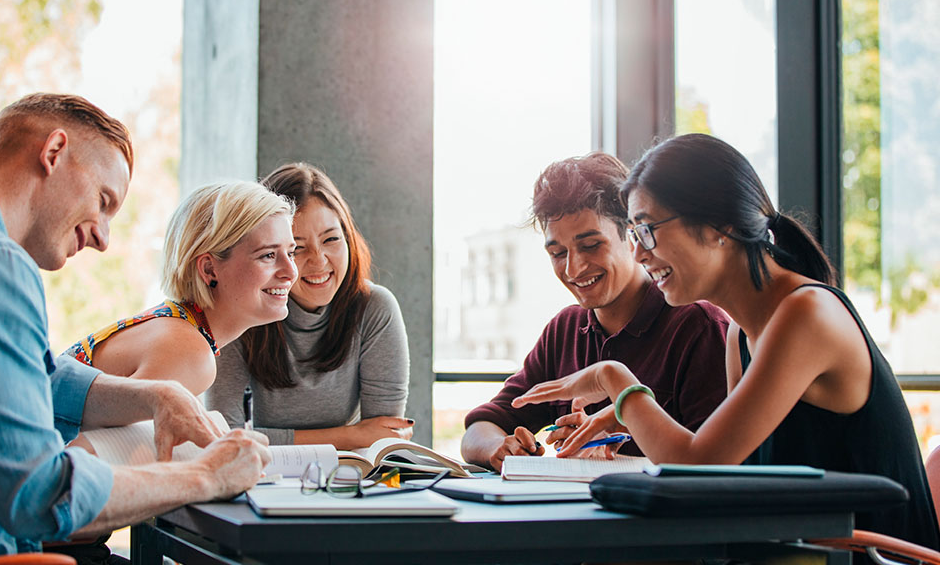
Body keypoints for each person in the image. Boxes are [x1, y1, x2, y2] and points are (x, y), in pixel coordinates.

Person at [513, 134, 940, 549]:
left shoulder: (806, 314)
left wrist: (616, 381)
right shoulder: (741, 332)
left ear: (720, 226)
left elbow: (698, 464)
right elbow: (727, 475)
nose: (640, 253)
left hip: (871, 555)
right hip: (805, 551)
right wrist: (628, 420)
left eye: (647, 230)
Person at [0, 93, 272, 564]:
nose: (102, 237)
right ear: (53, 152)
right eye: (104, 201)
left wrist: (155, 396)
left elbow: (34, 375)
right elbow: (41, 497)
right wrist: (207, 475)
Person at [460, 151, 730, 471]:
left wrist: (627, 431)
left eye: (590, 246)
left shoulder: (697, 326)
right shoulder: (565, 330)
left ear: (632, 236)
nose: (573, 268)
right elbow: (481, 427)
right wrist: (498, 447)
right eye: (558, 253)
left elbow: (715, 464)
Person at [206, 162, 412, 450]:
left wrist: (361, 438)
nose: (319, 261)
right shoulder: (240, 309)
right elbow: (226, 437)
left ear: (349, 238)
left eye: (331, 239)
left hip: (346, 479)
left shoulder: (374, 308)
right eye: (297, 248)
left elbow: (382, 437)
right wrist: (350, 435)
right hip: (259, 479)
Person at [62, 181, 298, 396]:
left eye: (291, 253)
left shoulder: (179, 326)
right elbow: (90, 442)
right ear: (209, 269)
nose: (291, 272)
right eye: (268, 255)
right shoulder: (189, 354)